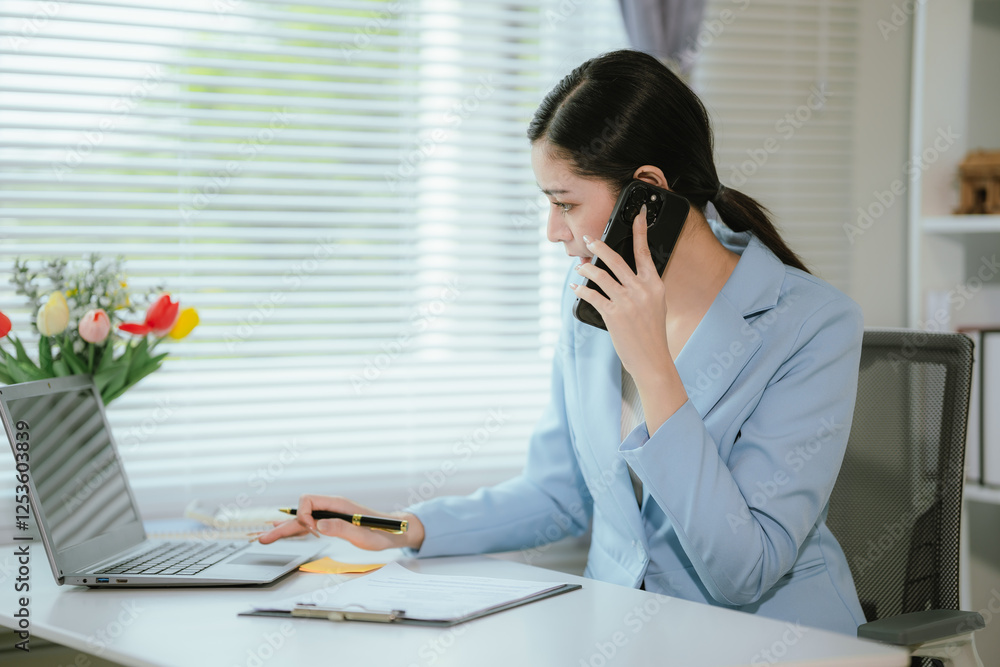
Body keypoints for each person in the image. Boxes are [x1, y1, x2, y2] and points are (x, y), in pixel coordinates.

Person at [260, 49, 866, 636]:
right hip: (621, 638)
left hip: (775, 645)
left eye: (566, 203)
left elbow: (746, 570)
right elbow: (560, 495)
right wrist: (403, 527)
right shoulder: (588, 302)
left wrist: (653, 366)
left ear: (647, 193)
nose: (554, 232)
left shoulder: (813, 325)